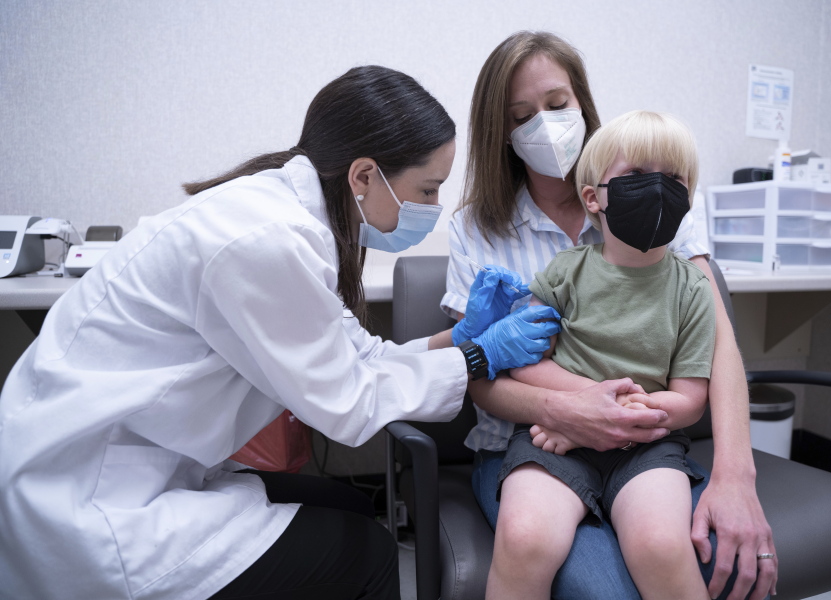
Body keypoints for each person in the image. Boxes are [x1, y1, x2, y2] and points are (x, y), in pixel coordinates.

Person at [0, 65, 560, 600]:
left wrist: (463, 338)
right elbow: (348, 403)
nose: (434, 208)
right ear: (364, 176)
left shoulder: (289, 220)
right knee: (368, 555)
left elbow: (360, 355)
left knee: (350, 505)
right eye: (428, 190)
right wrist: (479, 358)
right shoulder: (267, 240)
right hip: (91, 505)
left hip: (128, 463)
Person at [442, 31, 777, 599]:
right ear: (499, 131)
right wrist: (575, 409)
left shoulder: (658, 202)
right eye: (522, 116)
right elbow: (482, 366)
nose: (544, 125)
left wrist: (735, 474)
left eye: (557, 105)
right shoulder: (478, 230)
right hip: (536, 442)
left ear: (582, 102)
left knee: (683, 559)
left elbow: (715, 344)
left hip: (645, 443)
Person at [489, 110, 716, 600]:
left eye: (674, 178)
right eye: (636, 175)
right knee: (525, 538)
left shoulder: (694, 288)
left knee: (661, 545)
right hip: (553, 435)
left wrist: (622, 414)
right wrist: (587, 406)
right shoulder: (562, 273)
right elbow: (526, 362)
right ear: (593, 197)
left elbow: (690, 401)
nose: (657, 187)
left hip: (649, 446)